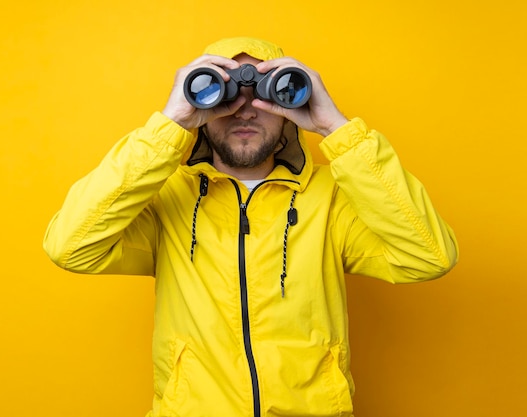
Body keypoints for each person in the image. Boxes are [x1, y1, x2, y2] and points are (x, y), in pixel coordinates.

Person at [43, 37, 458, 417]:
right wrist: (171, 123)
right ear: (201, 108)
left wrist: (337, 128)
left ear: (289, 108)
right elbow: (71, 246)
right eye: (221, 91)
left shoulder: (332, 198)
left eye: (264, 91)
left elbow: (428, 257)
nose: (243, 109)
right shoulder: (166, 199)